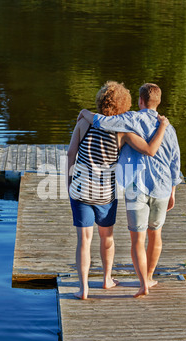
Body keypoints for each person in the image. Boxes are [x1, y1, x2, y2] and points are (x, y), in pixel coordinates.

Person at [67, 81, 169, 299]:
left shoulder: (84, 123)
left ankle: (83, 289)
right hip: (105, 194)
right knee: (107, 238)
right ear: (125, 105)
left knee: (84, 241)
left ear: (100, 100)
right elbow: (151, 150)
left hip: (80, 191)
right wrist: (162, 126)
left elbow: (70, 155)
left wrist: (69, 182)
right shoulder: (123, 132)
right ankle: (106, 280)